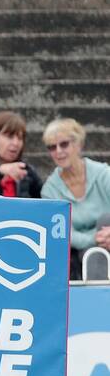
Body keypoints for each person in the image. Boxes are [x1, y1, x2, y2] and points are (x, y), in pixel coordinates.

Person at [41, 117, 110, 281]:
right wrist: (95, 239)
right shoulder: (49, 190)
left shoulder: (103, 173)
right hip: (83, 249)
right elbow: (63, 232)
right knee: (92, 254)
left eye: (63, 144)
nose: (58, 151)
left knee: (105, 219)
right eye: (52, 147)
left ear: (78, 144)